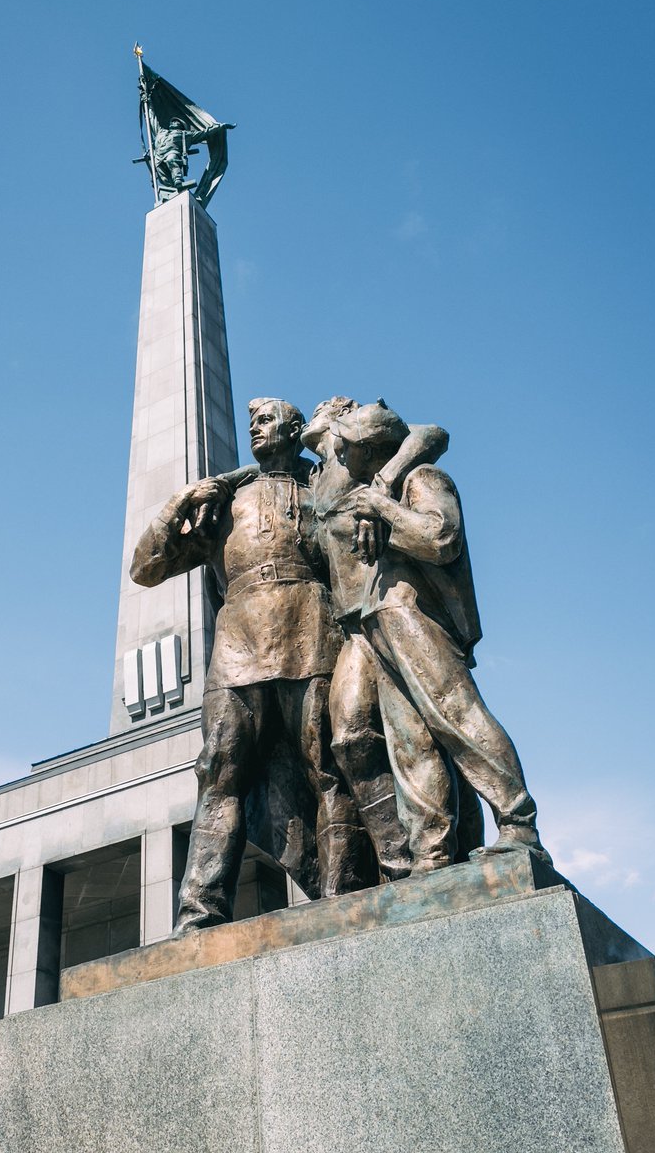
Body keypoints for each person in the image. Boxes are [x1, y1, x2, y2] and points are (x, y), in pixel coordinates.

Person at [131, 398, 371, 931]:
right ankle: (198, 913)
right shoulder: (225, 500)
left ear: (293, 430)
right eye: (251, 425)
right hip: (238, 647)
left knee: (327, 770)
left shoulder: (322, 489)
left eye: (266, 422)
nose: (255, 431)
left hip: (312, 636)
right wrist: (180, 504)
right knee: (218, 773)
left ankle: (343, 895)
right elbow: (145, 568)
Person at [331, 400, 549, 871]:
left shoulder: (423, 478)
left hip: (416, 615)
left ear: (371, 449)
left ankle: (517, 824)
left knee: (457, 715)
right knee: (410, 742)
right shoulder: (372, 487)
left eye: (347, 446)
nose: (340, 455)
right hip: (380, 620)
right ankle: (430, 852)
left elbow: (440, 539)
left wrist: (384, 505)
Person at [300, 398, 484, 879]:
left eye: (323, 408)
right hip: (354, 621)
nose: (311, 415)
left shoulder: (364, 455)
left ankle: (446, 845)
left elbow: (429, 433)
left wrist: (383, 485)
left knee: (435, 720)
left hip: (391, 605)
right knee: (352, 735)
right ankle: (401, 858)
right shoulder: (311, 479)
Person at [153, 117, 231, 192]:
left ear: (181, 126)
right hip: (158, 158)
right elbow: (152, 119)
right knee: (163, 178)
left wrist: (220, 127)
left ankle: (178, 179)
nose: (174, 123)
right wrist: (148, 104)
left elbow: (204, 133)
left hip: (172, 153)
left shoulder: (185, 134)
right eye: (173, 121)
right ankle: (172, 189)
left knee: (171, 159)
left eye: (177, 122)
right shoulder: (161, 132)